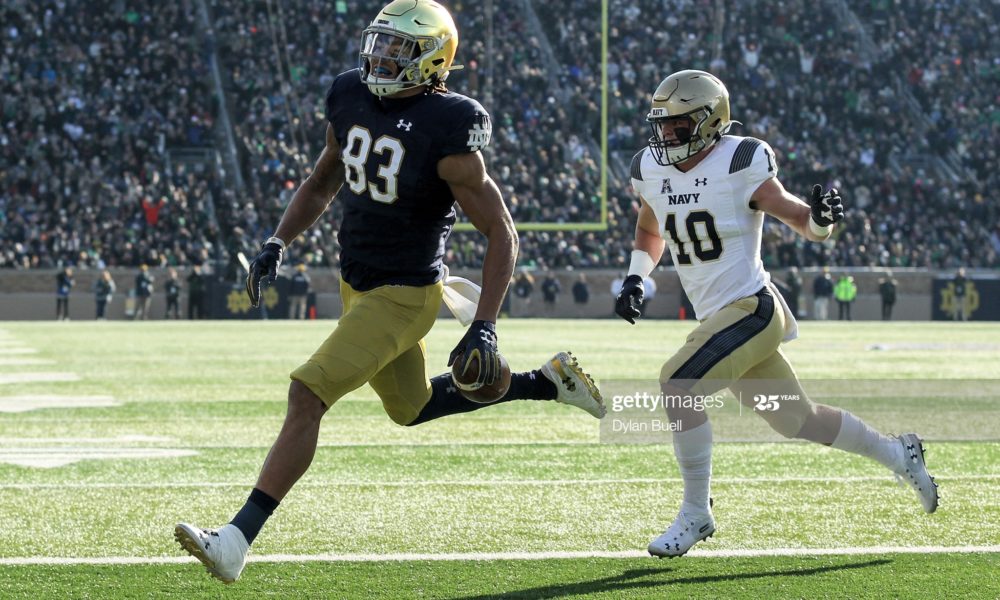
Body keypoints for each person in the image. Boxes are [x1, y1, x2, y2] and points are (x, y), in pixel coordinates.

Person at [174, 0, 604, 583]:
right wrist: (279, 240)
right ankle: (548, 382)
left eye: (399, 48)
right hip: (358, 284)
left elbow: (501, 230)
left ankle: (236, 538)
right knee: (412, 407)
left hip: (405, 294)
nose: (382, 56)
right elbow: (324, 176)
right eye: (379, 43)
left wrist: (484, 323)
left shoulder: (448, 125)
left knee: (308, 393)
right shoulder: (350, 93)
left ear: (433, 59)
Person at [616, 69, 936, 559]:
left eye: (678, 125)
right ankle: (900, 453)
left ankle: (696, 512)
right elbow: (649, 228)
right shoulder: (651, 170)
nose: (666, 135)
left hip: (751, 309)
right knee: (798, 420)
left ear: (708, 121)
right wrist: (638, 276)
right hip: (720, 320)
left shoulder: (739, 158)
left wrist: (822, 221)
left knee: (677, 383)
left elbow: (798, 218)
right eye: (662, 125)